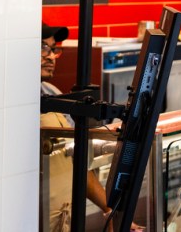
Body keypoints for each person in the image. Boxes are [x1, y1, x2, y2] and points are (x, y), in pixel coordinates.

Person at [41, 23, 112, 230]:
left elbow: (75, 159)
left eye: (53, 49)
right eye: (43, 48)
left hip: (63, 222)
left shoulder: (52, 93)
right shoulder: (10, 104)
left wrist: (109, 209)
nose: (51, 56)